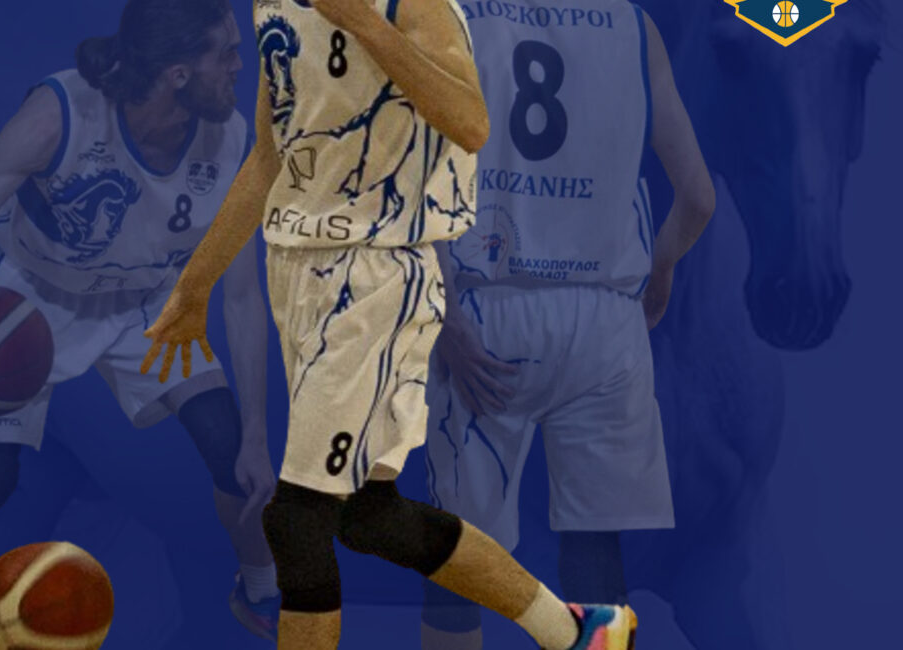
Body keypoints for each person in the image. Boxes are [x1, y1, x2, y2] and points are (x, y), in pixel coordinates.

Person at [141, 1, 637, 648]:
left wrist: (368, 26)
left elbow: (471, 123)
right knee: (369, 516)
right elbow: (267, 157)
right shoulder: (274, 7)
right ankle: (574, 630)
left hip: (376, 276)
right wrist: (195, 286)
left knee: (298, 519)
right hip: (298, 273)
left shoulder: (412, 4)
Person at [0, 1, 282, 647]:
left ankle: (261, 591)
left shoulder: (232, 142)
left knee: (232, 449)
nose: (242, 66)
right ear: (178, 73)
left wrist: (257, 432)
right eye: (227, 53)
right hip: (31, 297)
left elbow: (240, 299)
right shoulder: (59, 116)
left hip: (141, 299)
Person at [420, 1, 716, 647]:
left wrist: (449, 321)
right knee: (595, 549)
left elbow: (415, 182)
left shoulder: (453, 16)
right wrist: (660, 272)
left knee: (461, 553)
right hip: (606, 318)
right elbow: (698, 198)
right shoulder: (634, 27)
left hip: (488, 307)